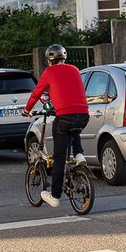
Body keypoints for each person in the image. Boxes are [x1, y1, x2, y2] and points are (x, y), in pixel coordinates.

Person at [23, 44, 89, 208]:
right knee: (73, 126)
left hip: (64, 116)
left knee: (59, 157)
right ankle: (79, 154)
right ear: (64, 58)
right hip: (83, 115)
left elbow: (36, 93)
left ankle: (55, 196)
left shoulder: (49, 72)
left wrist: (27, 110)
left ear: (49, 60)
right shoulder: (74, 69)